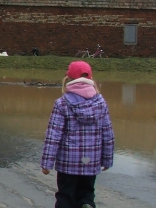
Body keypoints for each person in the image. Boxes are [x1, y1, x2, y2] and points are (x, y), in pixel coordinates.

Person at [40, 61, 114, 208]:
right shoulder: (100, 103)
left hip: (68, 162)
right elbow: (107, 133)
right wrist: (107, 159)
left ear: (67, 79)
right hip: (91, 161)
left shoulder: (62, 103)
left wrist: (47, 162)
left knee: (65, 196)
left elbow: (53, 135)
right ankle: (86, 204)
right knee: (87, 193)